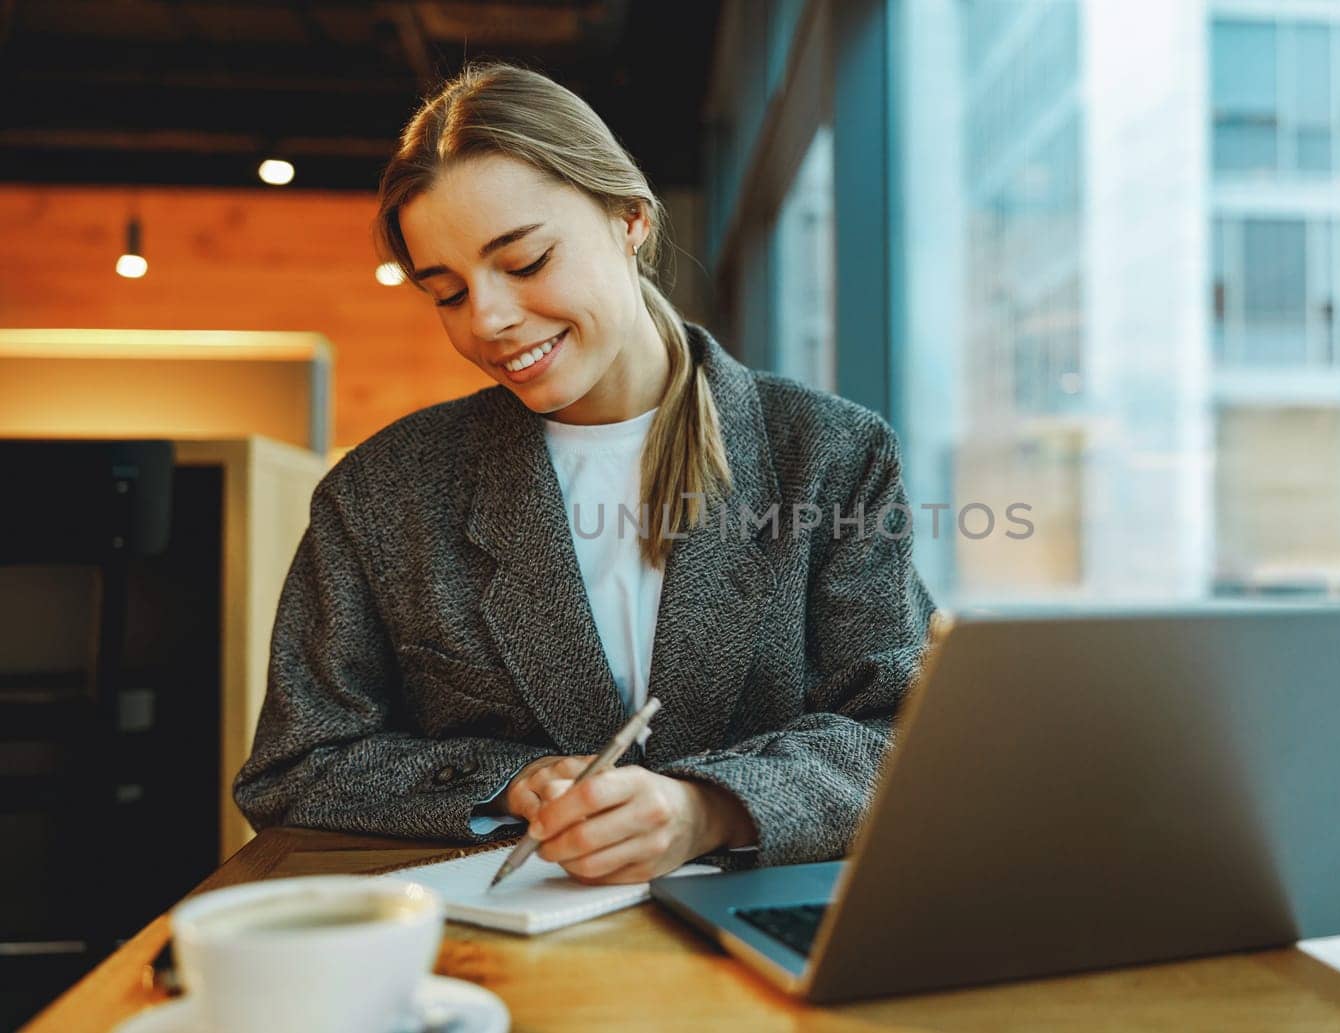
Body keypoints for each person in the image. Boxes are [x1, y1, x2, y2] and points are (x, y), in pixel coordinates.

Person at [234, 62, 935, 885]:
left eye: (525, 262)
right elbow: (297, 762)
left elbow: (906, 735)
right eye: (448, 293)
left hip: (760, 942)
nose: (488, 320)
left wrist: (705, 808)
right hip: (503, 952)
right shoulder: (383, 491)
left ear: (630, 219)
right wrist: (510, 783)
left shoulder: (831, 454)